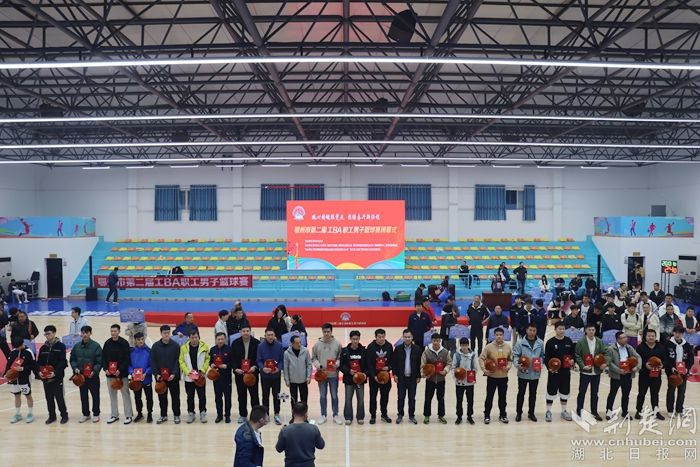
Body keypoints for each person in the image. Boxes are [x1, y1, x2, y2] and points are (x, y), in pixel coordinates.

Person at [605, 331, 642, 420]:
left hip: (627, 374)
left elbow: (638, 357)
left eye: (626, 337)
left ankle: (625, 412)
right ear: (618, 340)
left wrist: (637, 367)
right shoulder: (611, 348)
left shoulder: (629, 347)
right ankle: (609, 411)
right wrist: (618, 370)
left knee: (626, 394)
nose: (626, 339)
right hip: (616, 375)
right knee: (613, 393)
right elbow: (609, 362)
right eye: (623, 338)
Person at [275, 402, 326, 467]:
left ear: (293, 413)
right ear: (306, 414)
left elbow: (279, 449)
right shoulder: (314, 429)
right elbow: (321, 445)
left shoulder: (285, 431)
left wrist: (281, 434)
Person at [311, 323, 343, 425]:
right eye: (324, 332)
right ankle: (323, 415)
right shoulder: (317, 344)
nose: (326, 333)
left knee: (334, 396)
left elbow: (340, 357)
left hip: (333, 375)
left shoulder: (337, 344)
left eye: (328, 331)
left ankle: (335, 415)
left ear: (331, 332)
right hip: (322, 375)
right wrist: (319, 366)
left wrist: (337, 364)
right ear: (322, 332)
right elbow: (314, 358)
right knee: (322, 396)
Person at [70, 325, 102, 423]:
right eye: (83, 333)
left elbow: (99, 361)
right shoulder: (77, 346)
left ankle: (96, 414)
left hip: (93, 376)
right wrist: (75, 368)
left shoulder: (96, 346)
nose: (84, 335)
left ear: (90, 333)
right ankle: (86, 414)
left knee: (95, 396)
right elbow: (72, 359)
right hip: (81, 377)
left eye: (87, 333)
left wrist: (94, 371)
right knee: (83, 396)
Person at [150, 324, 182, 424]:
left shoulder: (175, 346)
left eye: (168, 333)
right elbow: (153, 361)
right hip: (160, 378)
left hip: (173, 377)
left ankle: (176, 415)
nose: (166, 335)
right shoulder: (155, 346)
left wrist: (174, 373)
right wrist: (156, 374)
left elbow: (178, 361)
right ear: (161, 333)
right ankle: (163, 415)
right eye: (164, 333)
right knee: (162, 398)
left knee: (175, 397)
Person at [512, 323, 544, 423]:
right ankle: (519, 413)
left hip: (535, 373)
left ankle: (531, 413)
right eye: (530, 330)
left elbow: (542, 356)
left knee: (533, 394)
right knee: (521, 393)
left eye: (534, 330)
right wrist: (517, 365)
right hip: (523, 373)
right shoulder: (520, 343)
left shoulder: (540, 343)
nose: (532, 332)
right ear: (526, 330)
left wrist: (540, 363)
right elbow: (515, 356)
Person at [37, 325, 69, 424]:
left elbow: (63, 362)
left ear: (54, 333)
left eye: (49, 333)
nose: (47, 336)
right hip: (46, 378)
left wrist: (55, 373)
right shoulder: (43, 348)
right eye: (45, 334)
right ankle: (52, 416)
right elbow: (39, 362)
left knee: (59, 397)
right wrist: (39, 372)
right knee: (49, 398)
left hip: (57, 377)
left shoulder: (61, 346)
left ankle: (64, 415)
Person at [544, 321, 575, 422]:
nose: (561, 331)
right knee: (551, 392)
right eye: (559, 329)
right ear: (555, 329)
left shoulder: (569, 341)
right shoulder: (550, 342)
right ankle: (548, 411)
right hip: (554, 372)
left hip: (565, 372)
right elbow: (546, 358)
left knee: (564, 392)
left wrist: (572, 361)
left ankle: (564, 411)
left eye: (563, 329)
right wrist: (549, 368)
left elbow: (573, 355)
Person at [102, 323, 133, 424]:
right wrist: (105, 369)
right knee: (112, 395)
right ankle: (114, 415)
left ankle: (128, 415)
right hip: (110, 375)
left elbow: (127, 358)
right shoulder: (107, 343)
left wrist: (120, 369)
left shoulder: (124, 343)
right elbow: (103, 358)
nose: (113, 333)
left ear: (119, 332)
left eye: (115, 331)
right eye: (111, 331)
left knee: (125, 394)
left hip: (122, 374)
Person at [480, 327, 512, 424]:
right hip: (492, 377)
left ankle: (503, 415)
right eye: (497, 335)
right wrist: (484, 370)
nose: (499, 336)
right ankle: (487, 415)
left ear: (503, 336)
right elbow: (481, 358)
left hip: (503, 377)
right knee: (489, 397)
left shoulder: (507, 347)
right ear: (494, 336)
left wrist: (508, 367)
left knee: (503, 397)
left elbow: (510, 359)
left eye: (500, 335)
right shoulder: (488, 347)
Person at [574, 324, 605, 420]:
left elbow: (605, 353)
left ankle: (594, 412)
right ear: (586, 331)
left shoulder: (599, 341)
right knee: (582, 392)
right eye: (589, 330)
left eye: (593, 330)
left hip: (596, 371)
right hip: (585, 372)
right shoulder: (580, 342)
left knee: (595, 393)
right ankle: (579, 410)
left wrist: (604, 363)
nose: (591, 331)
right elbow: (577, 355)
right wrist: (582, 366)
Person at [232, 324, 261, 424]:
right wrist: (236, 368)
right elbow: (232, 358)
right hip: (240, 374)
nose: (246, 333)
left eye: (247, 331)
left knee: (254, 395)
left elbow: (259, 358)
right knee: (241, 395)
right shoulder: (235, 343)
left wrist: (255, 366)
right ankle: (243, 415)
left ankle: (256, 416)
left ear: (250, 331)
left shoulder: (256, 343)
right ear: (240, 332)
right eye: (243, 331)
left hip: (252, 374)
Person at [179, 330, 210, 423]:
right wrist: (187, 372)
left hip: (200, 376)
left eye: (196, 337)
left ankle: (203, 413)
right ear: (189, 338)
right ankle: (191, 413)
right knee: (190, 396)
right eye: (192, 337)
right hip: (189, 377)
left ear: (199, 337)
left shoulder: (204, 346)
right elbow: (181, 361)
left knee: (202, 396)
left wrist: (203, 370)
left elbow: (207, 359)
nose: (194, 339)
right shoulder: (184, 348)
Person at [634, 329, 666, 421]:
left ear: (655, 337)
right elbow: (637, 360)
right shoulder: (640, 347)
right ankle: (638, 411)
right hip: (644, 375)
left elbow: (665, 359)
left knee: (655, 394)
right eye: (649, 336)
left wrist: (662, 365)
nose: (651, 337)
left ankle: (656, 412)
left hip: (656, 375)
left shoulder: (661, 347)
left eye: (653, 336)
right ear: (645, 337)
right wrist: (645, 365)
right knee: (641, 393)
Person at [421, 332, 451, 424]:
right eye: (434, 341)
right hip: (430, 379)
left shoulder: (445, 352)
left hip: (441, 379)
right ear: (431, 341)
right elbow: (423, 364)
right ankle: (426, 416)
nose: (436, 342)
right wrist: (424, 373)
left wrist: (445, 370)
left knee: (441, 398)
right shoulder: (427, 352)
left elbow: (449, 363)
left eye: (437, 341)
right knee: (428, 398)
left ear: (440, 341)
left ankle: (441, 415)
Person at [392, 328, 422, 425]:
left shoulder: (417, 349)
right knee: (401, 397)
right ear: (403, 338)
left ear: (412, 337)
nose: (407, 339)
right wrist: (395, 374)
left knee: (412, 398)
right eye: (405, 337)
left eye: (409, 337)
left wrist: (419, 376)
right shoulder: (398, 349)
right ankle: (400, 415)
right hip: (401, 378)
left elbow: (419, 364)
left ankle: (411, 415)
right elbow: (394, 363)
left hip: (412, 378)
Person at [5, 336, 37, 424]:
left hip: (24, 378)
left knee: (28, 395)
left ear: (22, 344)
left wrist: (22, 369)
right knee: (17, 396)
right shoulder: (13, 352)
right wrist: (6, 373)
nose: (17, 348)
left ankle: (30, 413)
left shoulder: (29, 352)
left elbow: (33, 366)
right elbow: (8, 364)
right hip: (14, 380)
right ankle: (17, 414)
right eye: (15, 347)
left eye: (18, 347)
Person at [257, 327, 284, 425]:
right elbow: (259, 360)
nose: (270, 337)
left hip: (276, 376)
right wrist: (262, 368)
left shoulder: (279, 346)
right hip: (265, 376)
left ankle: (277, 414)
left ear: (274, 335)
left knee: (277, 395)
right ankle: (266, 414)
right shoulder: (260, 346)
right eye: (268, 335)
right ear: (265, 336)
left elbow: (282, 360)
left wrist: (278, 368)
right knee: (265, 396)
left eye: (272, 335)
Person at [365, 328, 393, 424]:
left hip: (385, 376)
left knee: (385, 396)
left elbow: (392, 360)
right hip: (374, 377)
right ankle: (373, 415)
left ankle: (384, 415)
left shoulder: (389, 346)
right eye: (379, 337)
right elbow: (369, 364)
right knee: (373, 397)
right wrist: (374, 376)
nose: (381, 339)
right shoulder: (370, 347)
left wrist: (388, 367)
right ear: (375, 337)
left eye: (383, 337)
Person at [664, 326, 694, 417]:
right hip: (672, 372)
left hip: (683, 372)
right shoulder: (668, 344)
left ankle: (679, 409)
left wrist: (687, 368)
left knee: (681, 391)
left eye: (680, 333)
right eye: (676, 332)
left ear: (683, 334)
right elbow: (665, 358)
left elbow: (691, 359)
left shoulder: (687, 345)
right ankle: (670, 410)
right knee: (671, 390)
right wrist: (671, 368)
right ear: (673, 333)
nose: (678, 334)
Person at [340, 330, 367, 425]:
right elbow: (341, 365)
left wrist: (363, 374)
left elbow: (367, 364)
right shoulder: (344, 351)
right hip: (349, 380)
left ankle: (360, 417)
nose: (355, 341)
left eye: (357, 339)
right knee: (348, 399)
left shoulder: (364, 350)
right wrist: (349, 371)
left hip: (360, 380)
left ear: (359, 339)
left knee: (361, 399)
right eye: (353, 339)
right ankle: (348, 417)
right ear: (350, 339)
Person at [129, 332, 153, 423]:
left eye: (142, 339)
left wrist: (146, 373)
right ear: (135, 340)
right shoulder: (131, 352)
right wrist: (132, 373)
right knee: (137, 397)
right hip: (136, 380)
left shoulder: (149, 351)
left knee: (149, 398)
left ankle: (150, 414)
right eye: (139, 340)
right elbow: (129, 365)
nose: (141, 341)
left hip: (147, 379)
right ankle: (139, 413)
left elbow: (152, 365)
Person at [283, 334, 312, 410]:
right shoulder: (286, 353)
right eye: (297, 343)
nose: (299, 344)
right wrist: (287, 380)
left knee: (304, 400)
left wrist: (308, 377)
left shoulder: (305, 351)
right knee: (293, 400)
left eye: (300, 342)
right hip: (292, 381)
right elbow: (285, 367)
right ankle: (294, 415)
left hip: (303, 380)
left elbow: (309, 364)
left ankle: (304, 414)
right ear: (292, 343)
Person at [453, 337, 477, 425]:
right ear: (460, 345)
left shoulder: (473, 355)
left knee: (470, 400)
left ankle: (469, 416)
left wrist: (472, 377)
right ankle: (459, 416)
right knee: (459, 400)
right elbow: (453, 367)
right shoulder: (457, 355)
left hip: (469, 382)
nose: (464, 347)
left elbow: (475, 368)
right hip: (459, 382)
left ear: (468, 345)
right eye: (462, 345)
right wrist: (456, 378)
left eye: (465, 345)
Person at [210, 332, 233, 423]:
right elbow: (210, 361)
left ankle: (227, 415)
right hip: (216, 378)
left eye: (222, 339)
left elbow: (233, 362)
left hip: (227, 378)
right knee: (218, 397)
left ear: (225, 339)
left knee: (228, 397)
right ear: (216, 340)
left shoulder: (229, 349)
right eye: (218, 339)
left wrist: (226, 366)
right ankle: (219, 415)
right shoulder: (212, 350)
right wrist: (211, 364)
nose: (220, 341)